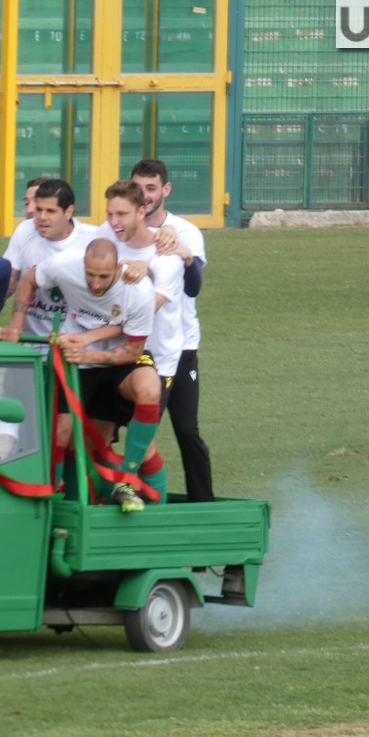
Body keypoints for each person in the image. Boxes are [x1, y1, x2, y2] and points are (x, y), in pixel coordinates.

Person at [0, 238, 159, 512]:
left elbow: (133, 349)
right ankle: (47, 500)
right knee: (63, 434)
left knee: (150, 388)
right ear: (83, 263)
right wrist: (16, 325)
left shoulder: (138, 290)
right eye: (90, 274)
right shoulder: (64, 264)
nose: (95, 283)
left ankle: (127, 482)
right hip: (75, 362)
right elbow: (28, 280)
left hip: (116, 360)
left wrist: (88, 354)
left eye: (103, 276)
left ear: (117, 268)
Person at [130, 159, 214, 502]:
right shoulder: (119, 230)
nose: (144, 196)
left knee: (186, 429)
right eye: (138, 188)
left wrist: (186, 257)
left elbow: (193, 288)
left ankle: (203, 507)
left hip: (179, 348)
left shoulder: (186, 232)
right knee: (136, 431)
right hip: (133, 348)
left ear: (166, 190)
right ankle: (124, 498)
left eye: (151, 188)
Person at [5, 178, 100, 338]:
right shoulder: (24, 231)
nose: (42, 217)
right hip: (30, 341)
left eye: (50, 211)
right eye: (39, 209)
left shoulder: (93, 239)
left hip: (71, 345)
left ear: (68, 212)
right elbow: (10, 280)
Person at [1, 175, 50, 297]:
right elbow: (9, 280)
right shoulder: (24, 229)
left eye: (37, 202)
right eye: (26, 203)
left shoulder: (86, 237)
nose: (29, 209)